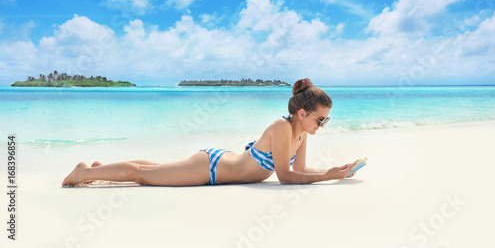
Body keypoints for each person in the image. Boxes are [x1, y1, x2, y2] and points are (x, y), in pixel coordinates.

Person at [61, 78, 358, 187]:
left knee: (155, 169)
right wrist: (329, 176)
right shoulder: (282, 127)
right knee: (144, 177)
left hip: (219, 164)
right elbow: (286, 176)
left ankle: (102, 170)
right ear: (302, 113)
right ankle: (82, 174)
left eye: (326, 121)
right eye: (320, 120)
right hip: (212, 169)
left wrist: (335, 170)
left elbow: (302, 170)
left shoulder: (301, 134)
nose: (322, 126)